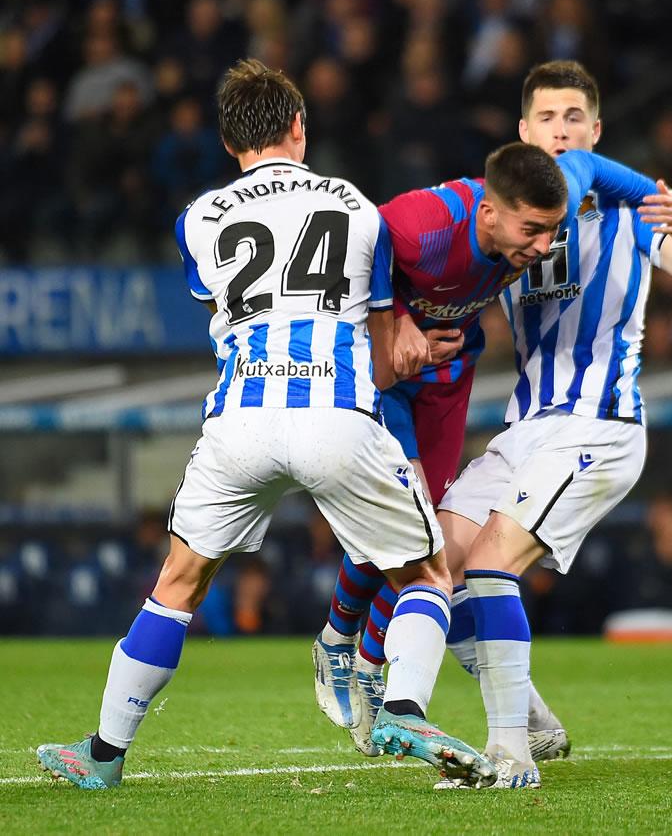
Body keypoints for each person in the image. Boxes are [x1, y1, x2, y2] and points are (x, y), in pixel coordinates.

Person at [35, 59, 497, 791]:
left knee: (177, 583)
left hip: (239, 422)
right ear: (299, 127)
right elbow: (383, 351)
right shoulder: (356, 207)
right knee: (427, 570)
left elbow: (230, 305)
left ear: (228, 143)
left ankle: (101, 753)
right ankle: (402, 707)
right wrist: (415, 350)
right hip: (334, 416)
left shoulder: (198, 220)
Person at [310, 134, 672, 762]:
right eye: (534, 232)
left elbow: (590, 167)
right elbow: (365, 236)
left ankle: (373, 660)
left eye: (552, 231)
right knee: (405, 517)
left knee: (426, 529)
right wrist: (391, 318)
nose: (544, 247)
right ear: (489, 213)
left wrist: (662, 202)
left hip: (449, 372)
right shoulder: (433, 222)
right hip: (390, 370)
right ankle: (340, 639)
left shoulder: (545, 202)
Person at [433, 59, 672, 789]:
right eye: (546, 119)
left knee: (492, 565)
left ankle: (508, 756)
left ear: (595, 131)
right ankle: (530, 720)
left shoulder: (627, 209)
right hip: (525, 425)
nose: (561, 130)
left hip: (599, 423)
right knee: (432, 563)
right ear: (524, 133)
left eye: (574, 119)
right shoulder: (501, 219)